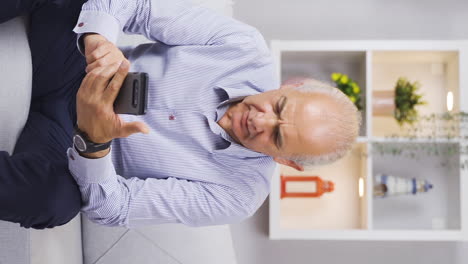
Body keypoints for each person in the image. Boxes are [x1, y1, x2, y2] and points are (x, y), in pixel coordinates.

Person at [0, 0, 360, 229]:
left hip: (70, 145)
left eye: (277, 136)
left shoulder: (238, 196)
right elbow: (136, 7)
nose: (260, 120)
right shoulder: (243, 47)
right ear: (292, 86)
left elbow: (114, 208)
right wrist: (99, 41)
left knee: (55, 202)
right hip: (76, 64)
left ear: (287, 162)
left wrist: (94, 143)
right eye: (279, 107)